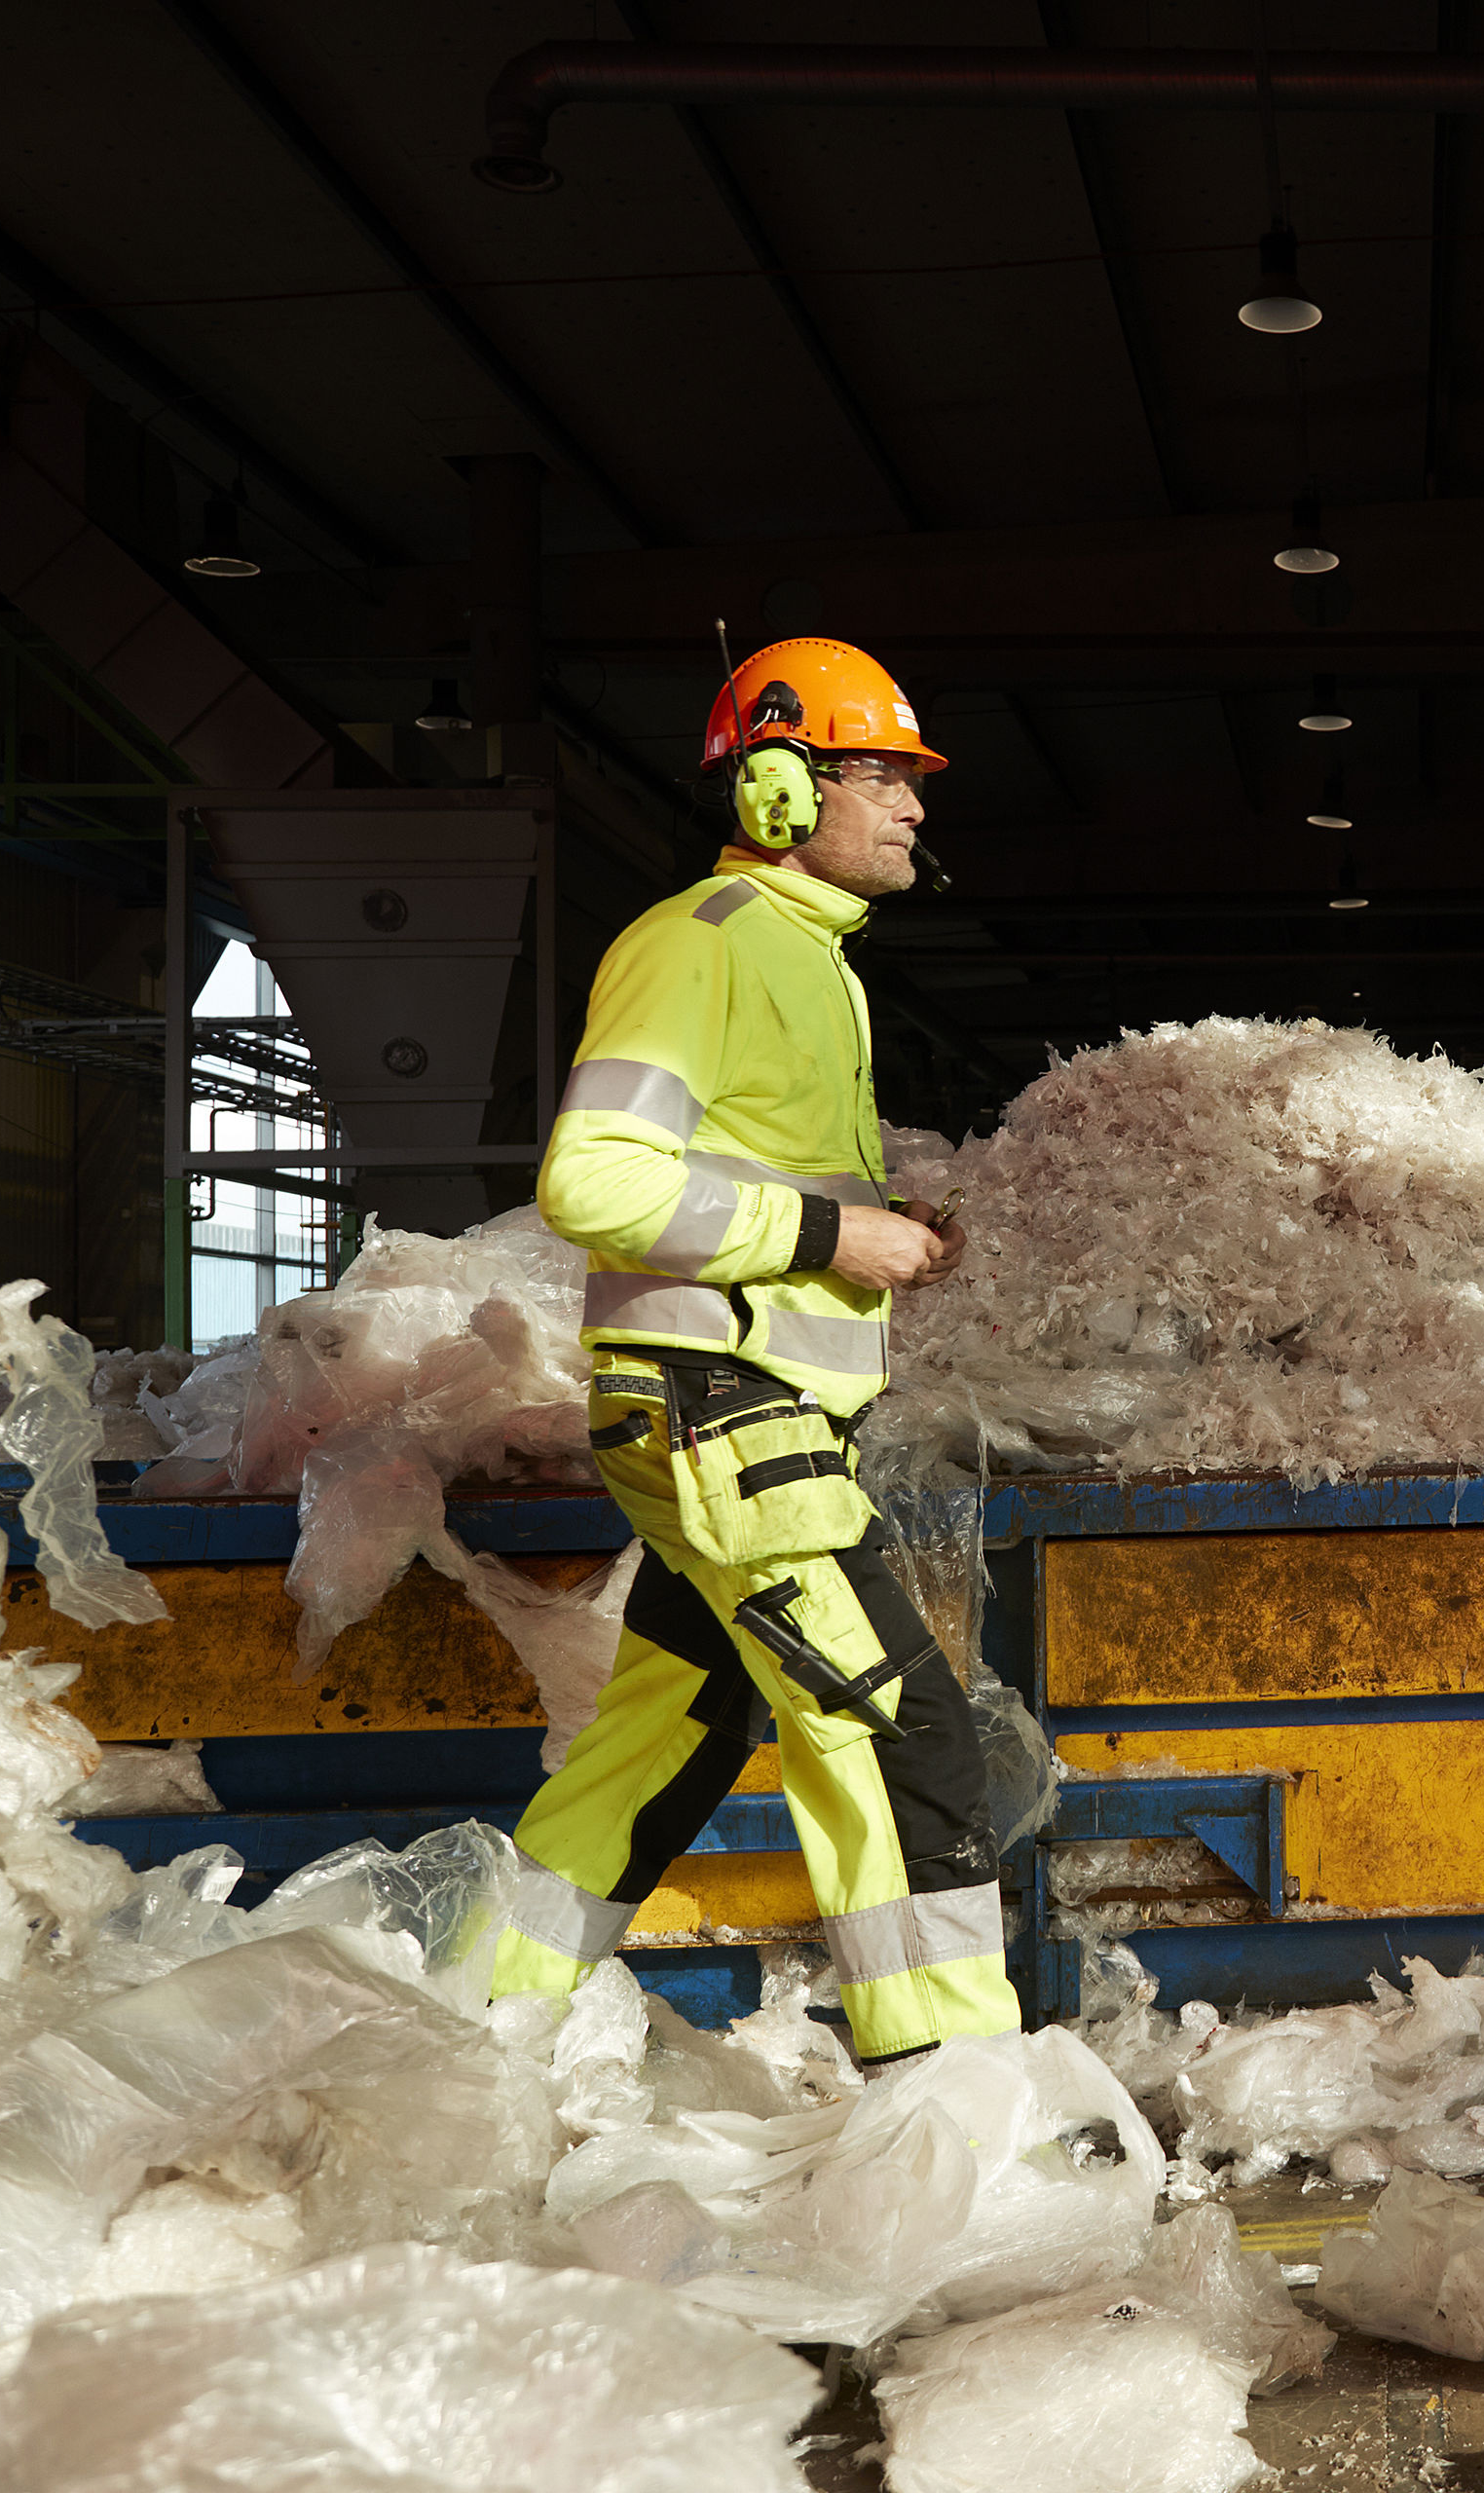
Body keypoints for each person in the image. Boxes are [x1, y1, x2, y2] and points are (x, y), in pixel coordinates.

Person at [485, 636, 1013, 2061]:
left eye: (914, 781)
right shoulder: (698, 945)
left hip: (744, 1417)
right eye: (881, 775)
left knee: (661, 1741)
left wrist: (873, 1226)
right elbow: (590, 1179)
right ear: (780, 787)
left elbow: (753, 1190)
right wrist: (829, 1239)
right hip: (724, 1413)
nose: (913, 806)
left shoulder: (808, 959)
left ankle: (481, 2030)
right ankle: (960, 2104)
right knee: (901, 1737)